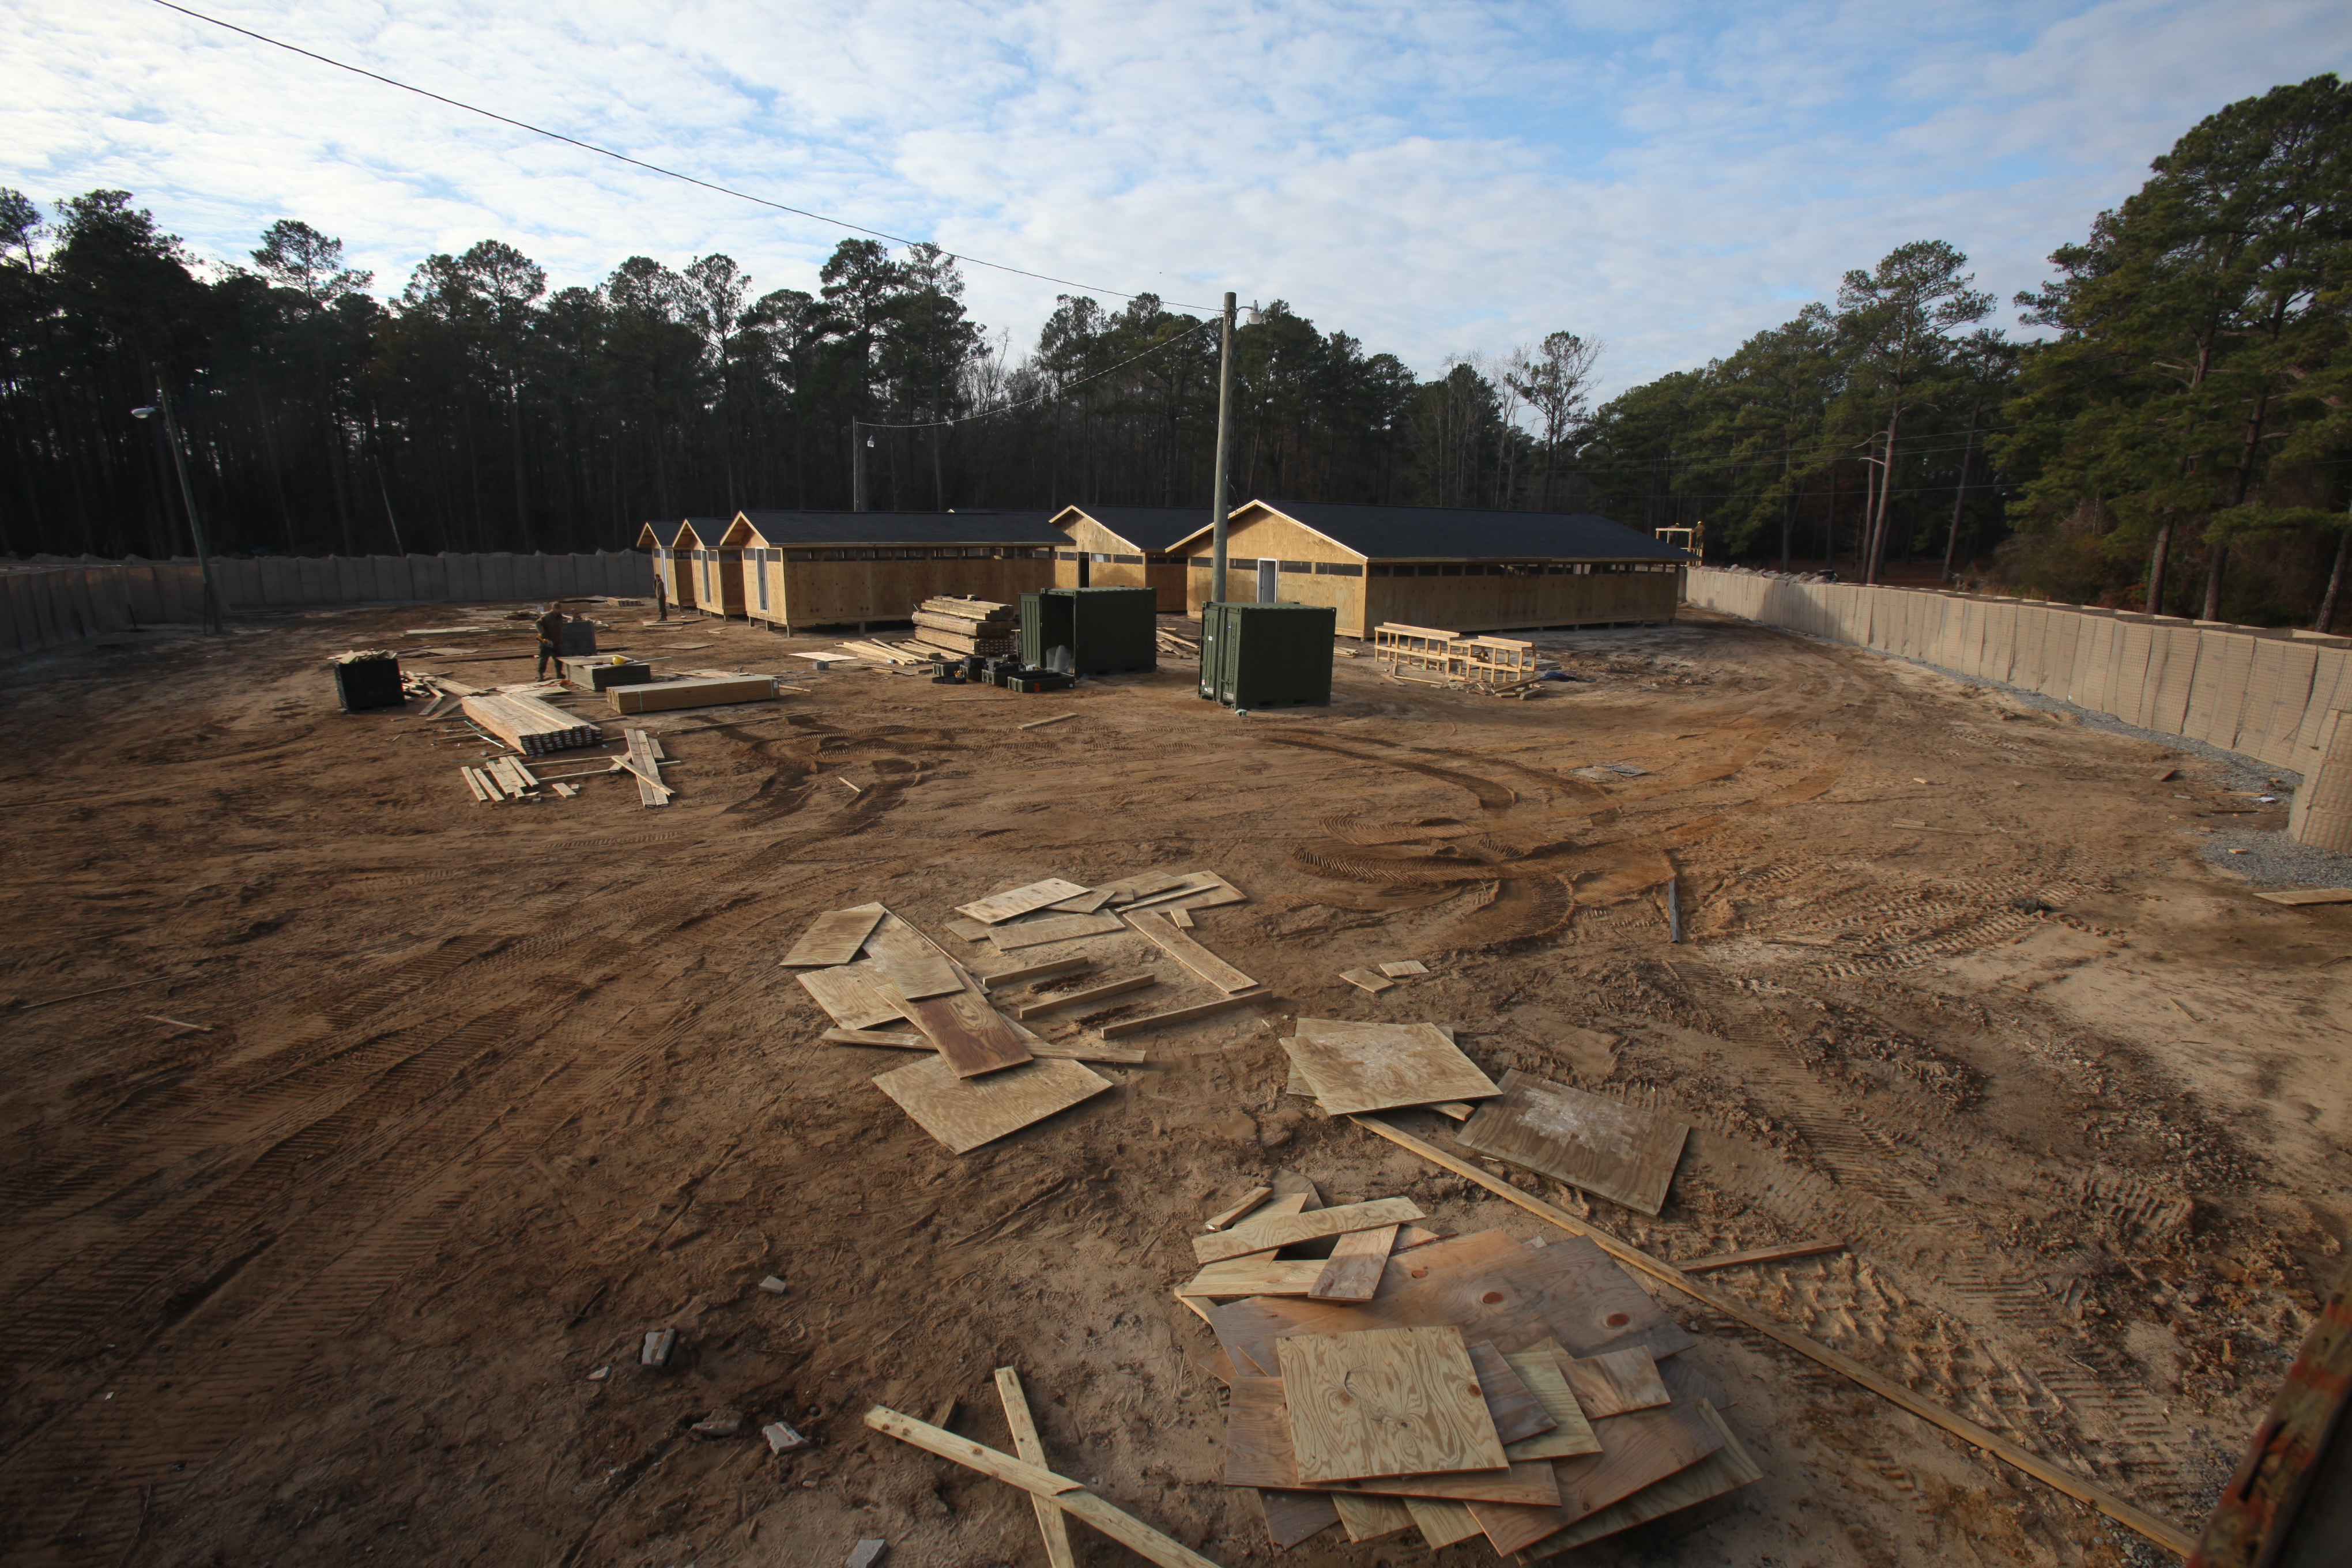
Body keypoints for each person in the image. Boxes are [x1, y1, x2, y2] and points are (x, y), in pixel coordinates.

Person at [534, 602, 564, 679]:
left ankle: (559, 673)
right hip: (547, 642)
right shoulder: (548, 616)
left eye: (559, 609)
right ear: (553, 609)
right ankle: (541, 676)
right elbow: (538, 623)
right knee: (544, 659)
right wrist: (542, 633)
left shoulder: (560, 617)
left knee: (559, 659)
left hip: (556, 641)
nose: (558, 610)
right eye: (557, 609)